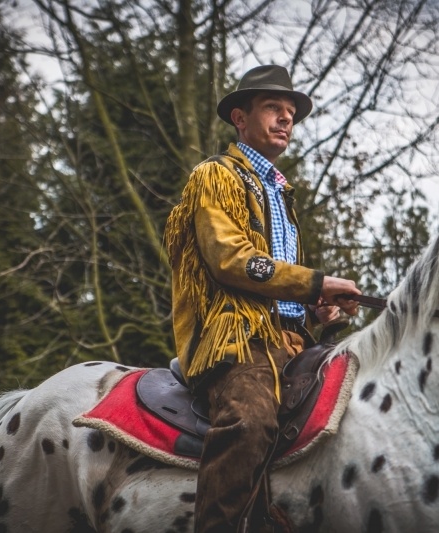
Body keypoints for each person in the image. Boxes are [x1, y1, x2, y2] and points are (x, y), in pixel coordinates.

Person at [164, 64, 362, 533]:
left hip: (291, 341)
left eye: (290, 112)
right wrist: (316, 283)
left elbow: (278, 283)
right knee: (251, 423)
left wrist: (314, 308)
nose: (286, 119)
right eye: (273, 107)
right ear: (240, 118)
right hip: (237, 338)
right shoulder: (215, 175)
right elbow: (232, 260)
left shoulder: (279, 193)